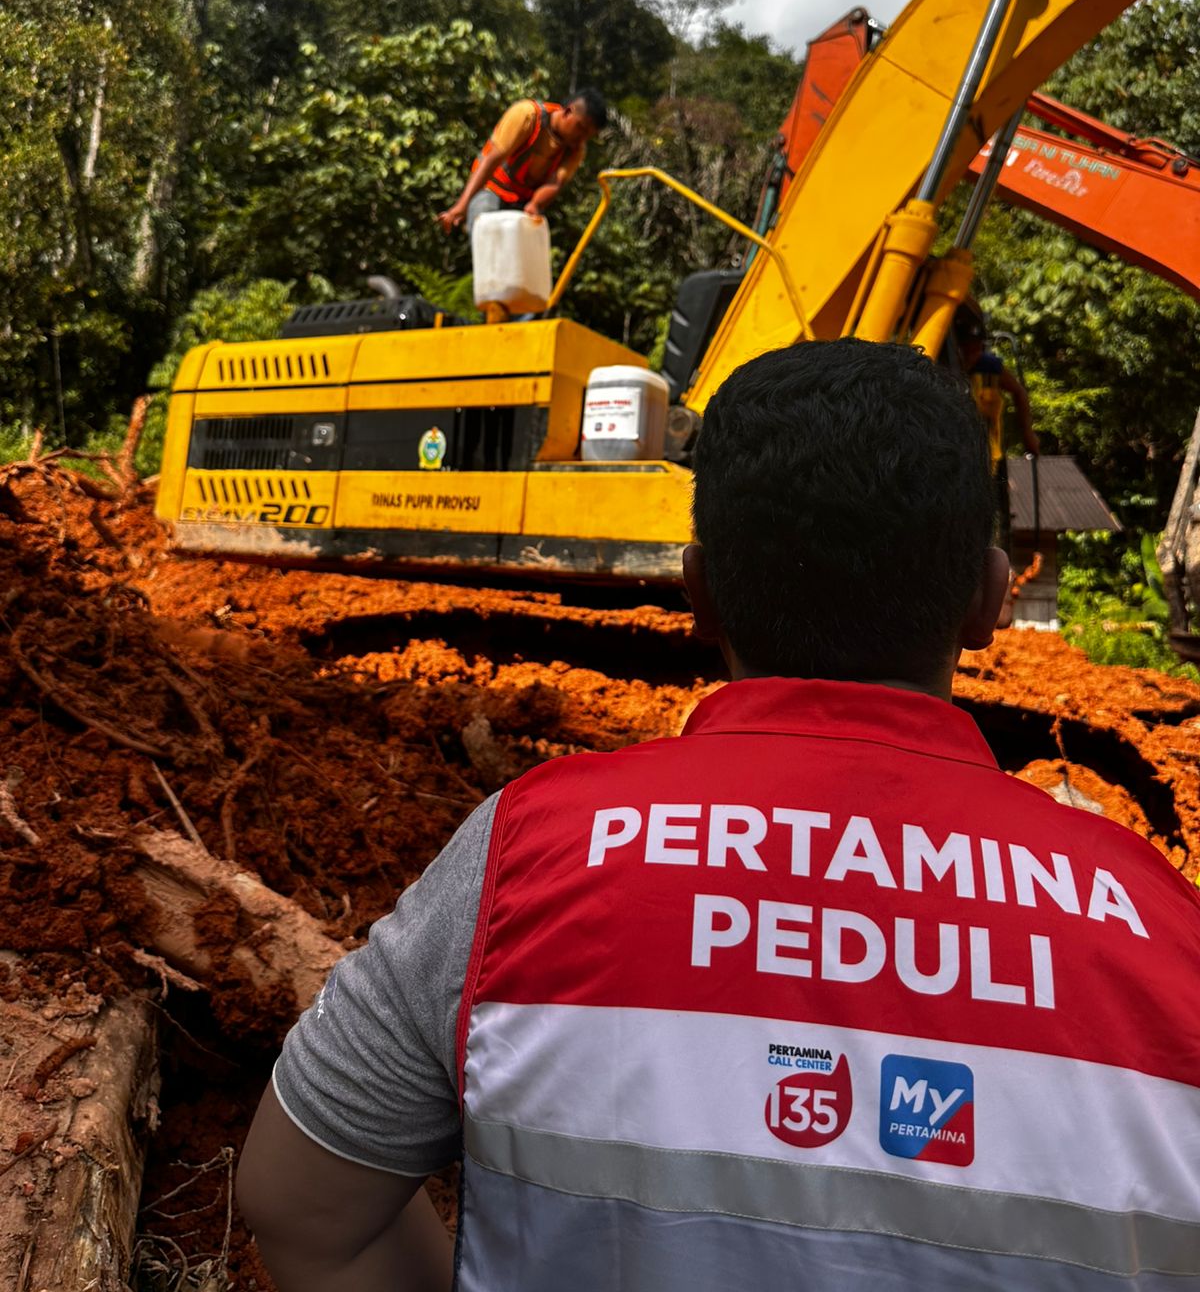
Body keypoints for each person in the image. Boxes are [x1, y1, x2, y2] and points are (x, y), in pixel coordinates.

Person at [238, 339, 1200, 1291]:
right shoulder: (1163, 929)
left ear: (696, 590)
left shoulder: (525, 857)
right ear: (990, 601)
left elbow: (302, 1206)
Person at [437, 88, 607, 236]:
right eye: (581, 128)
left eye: (588, 135)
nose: (581, 138)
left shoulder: (576, 149)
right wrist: (461, 207)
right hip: (491, 188)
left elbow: (555, 183)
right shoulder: (528, 115)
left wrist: (535, 205)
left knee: (528, 243)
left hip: (521, 202)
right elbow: (492, 159)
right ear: (568, 112)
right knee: (486, 227)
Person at [953, 300, 1040, 461]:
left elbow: (1019, 392)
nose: (973, 355)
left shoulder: (989, 367)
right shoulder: (939, 370)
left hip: (990, 458)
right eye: (967, 350)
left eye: (977, 348)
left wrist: (1028, 434)